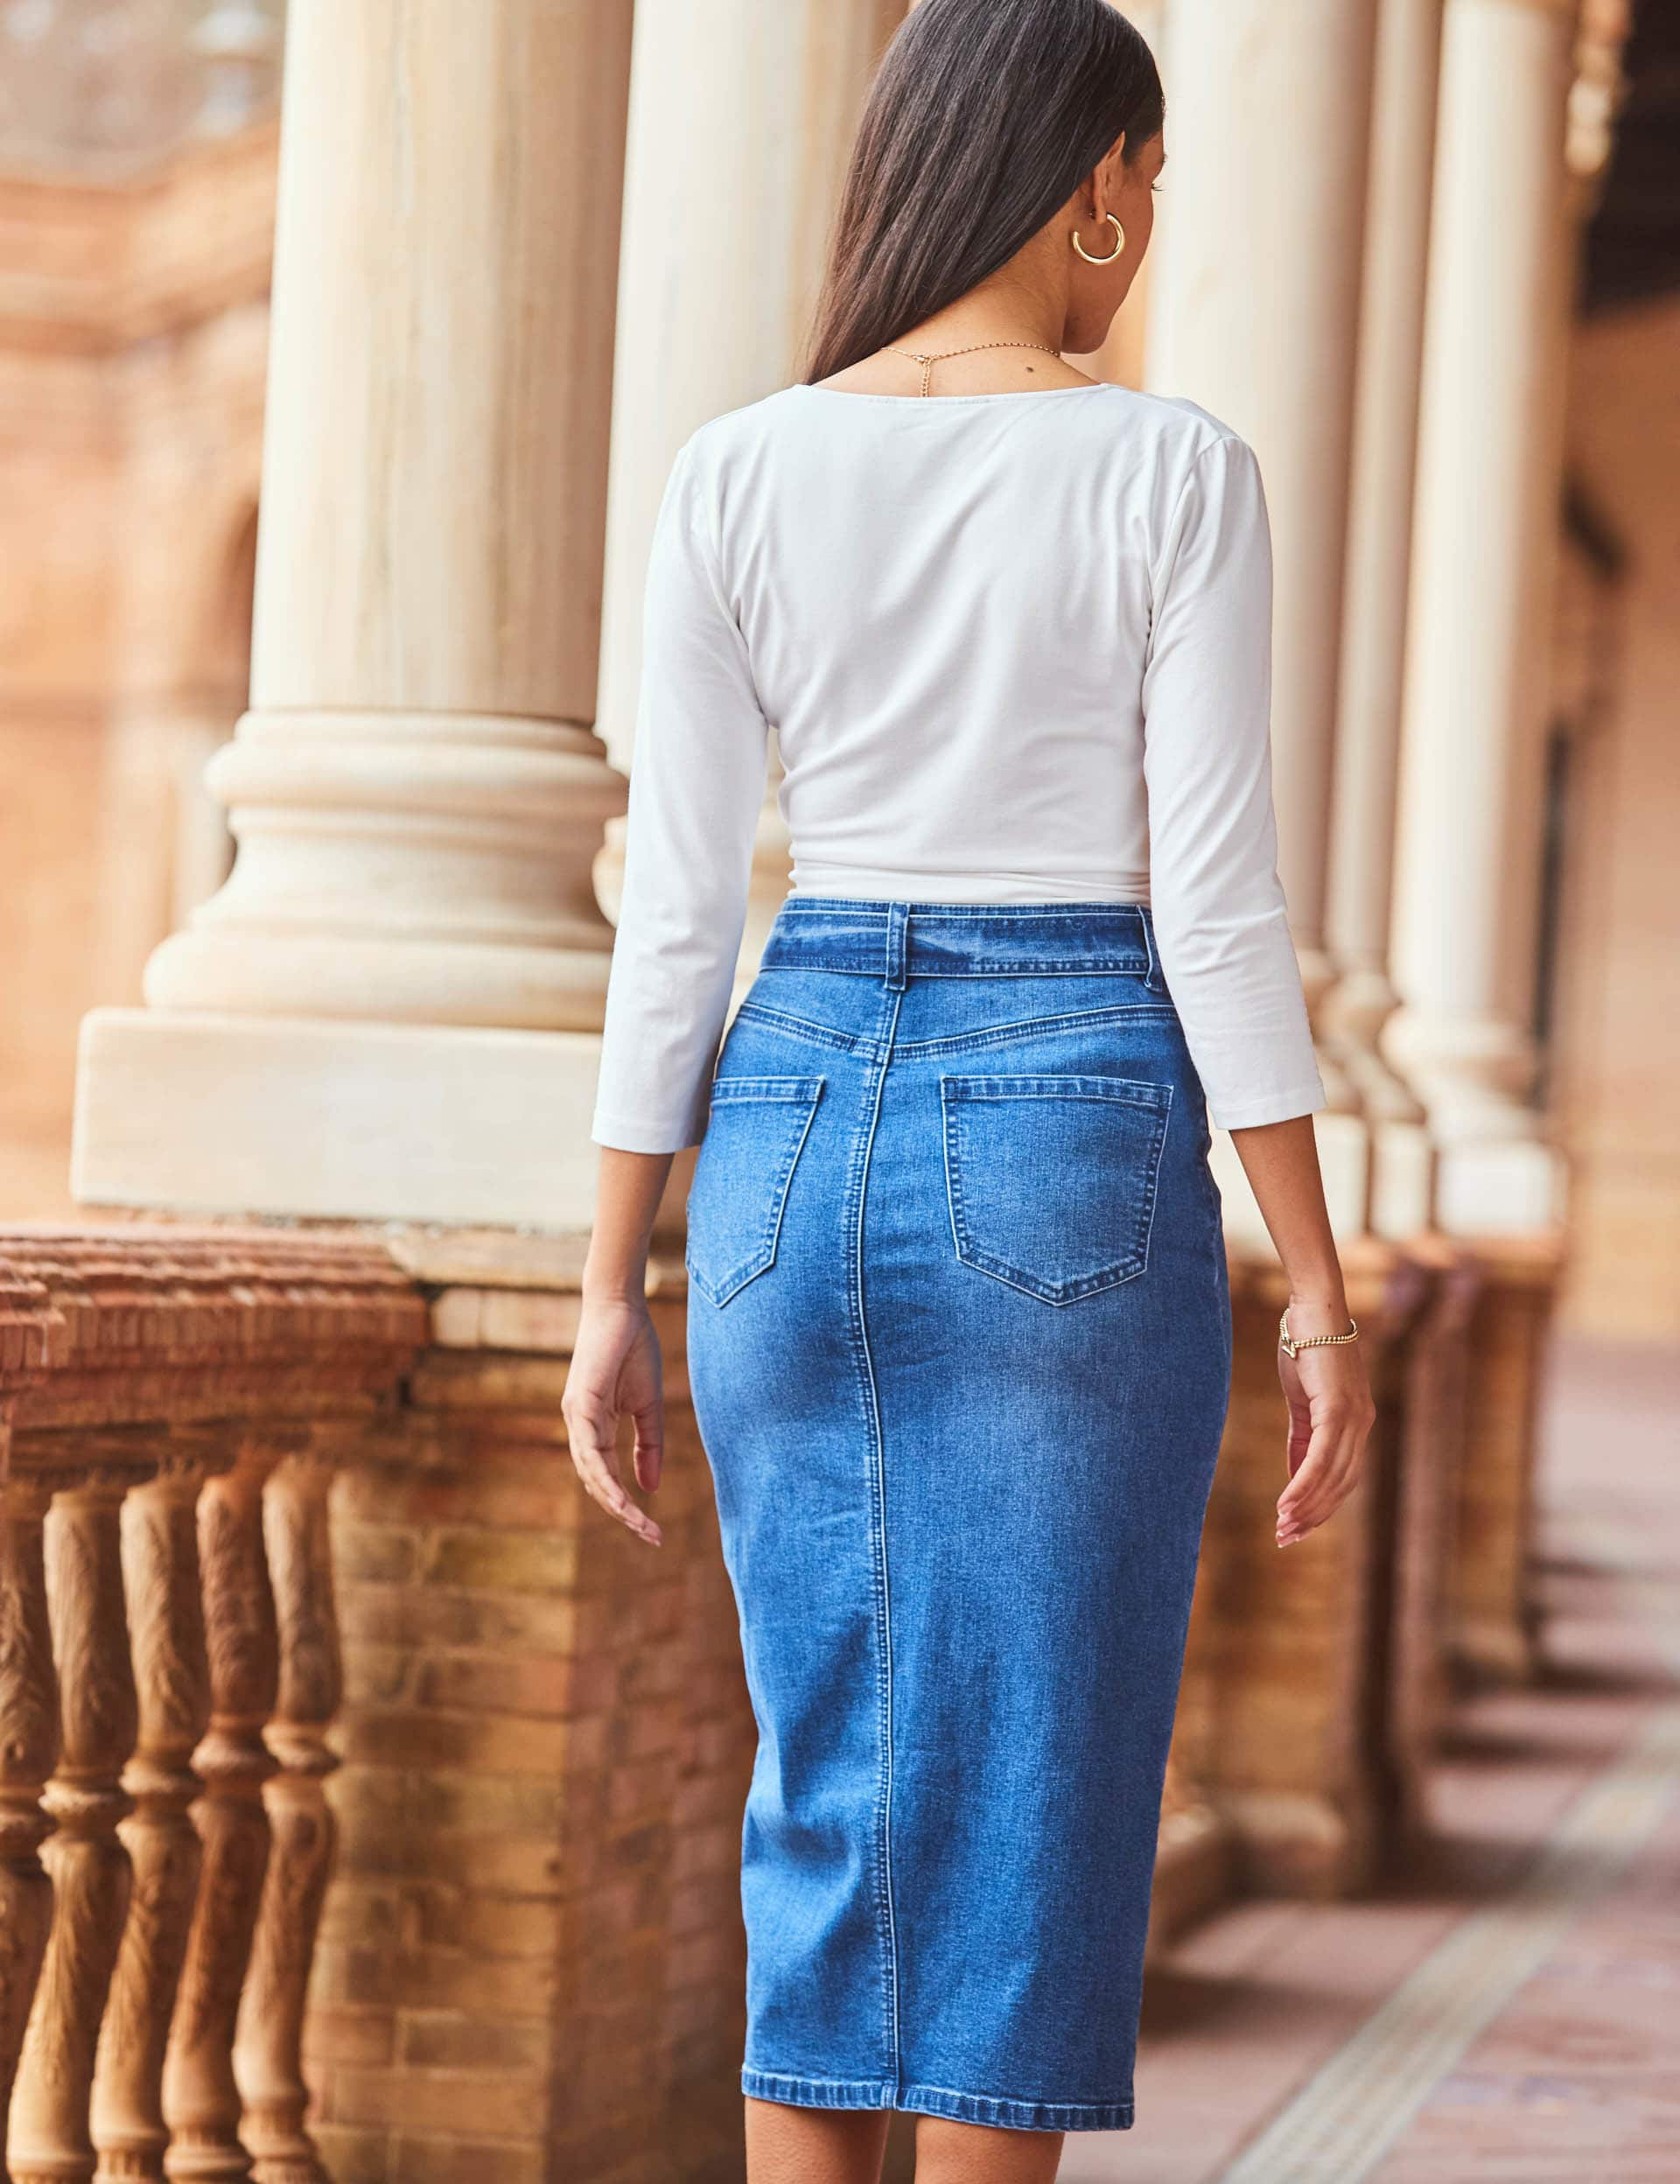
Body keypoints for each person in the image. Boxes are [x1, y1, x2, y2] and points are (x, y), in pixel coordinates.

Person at [564, 1, 1376, 2176]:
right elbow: (1219, 912)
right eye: (1149, 186)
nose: (1144, 229)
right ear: (1097, 181)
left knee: (826, 1810)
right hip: (1066, 1111)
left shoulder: (738, 468)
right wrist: (1317, 1287)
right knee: (1027, 1821)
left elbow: (677, 923)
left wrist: (604, 1280)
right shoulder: (1169, 469)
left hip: (786, 1117)